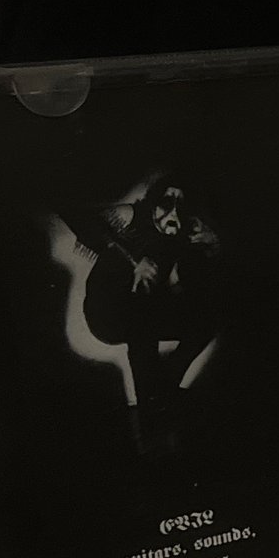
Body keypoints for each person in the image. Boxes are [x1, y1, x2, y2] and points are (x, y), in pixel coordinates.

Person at [66, 178, 222, 454]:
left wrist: (214, 243)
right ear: (153, 202)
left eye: (181, 204)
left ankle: (163, 394)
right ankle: (153, 423)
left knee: (208, 316)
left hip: (144, 310)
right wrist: (134, 259)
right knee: (143, 313)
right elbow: (78, 218)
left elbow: (194, 285)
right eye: (166, 202)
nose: (173, 212)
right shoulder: (131, 215)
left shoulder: (184, 230)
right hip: (106, 313)